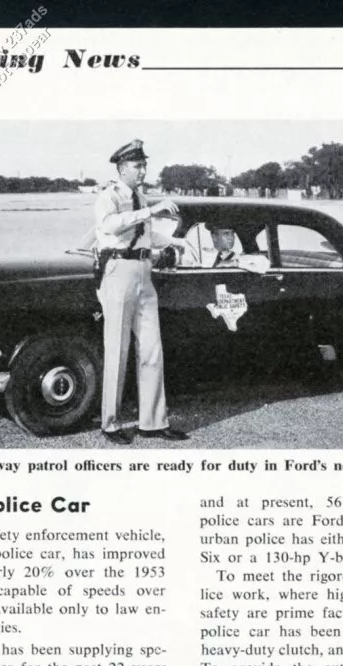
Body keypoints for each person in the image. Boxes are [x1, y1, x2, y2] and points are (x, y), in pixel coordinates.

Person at [92, 139, 189, 445]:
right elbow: (108, 226)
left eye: (144, 164)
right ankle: (110, 423)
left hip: (144, 273)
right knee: (117, 349)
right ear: (121, 168)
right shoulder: (109, 196)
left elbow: (144, 236)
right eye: (137, 165)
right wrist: (148, 212)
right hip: (118, 273)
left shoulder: (140, 196)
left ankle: (153, 422)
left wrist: (174, 242)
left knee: (151, 349)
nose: (143, 170)